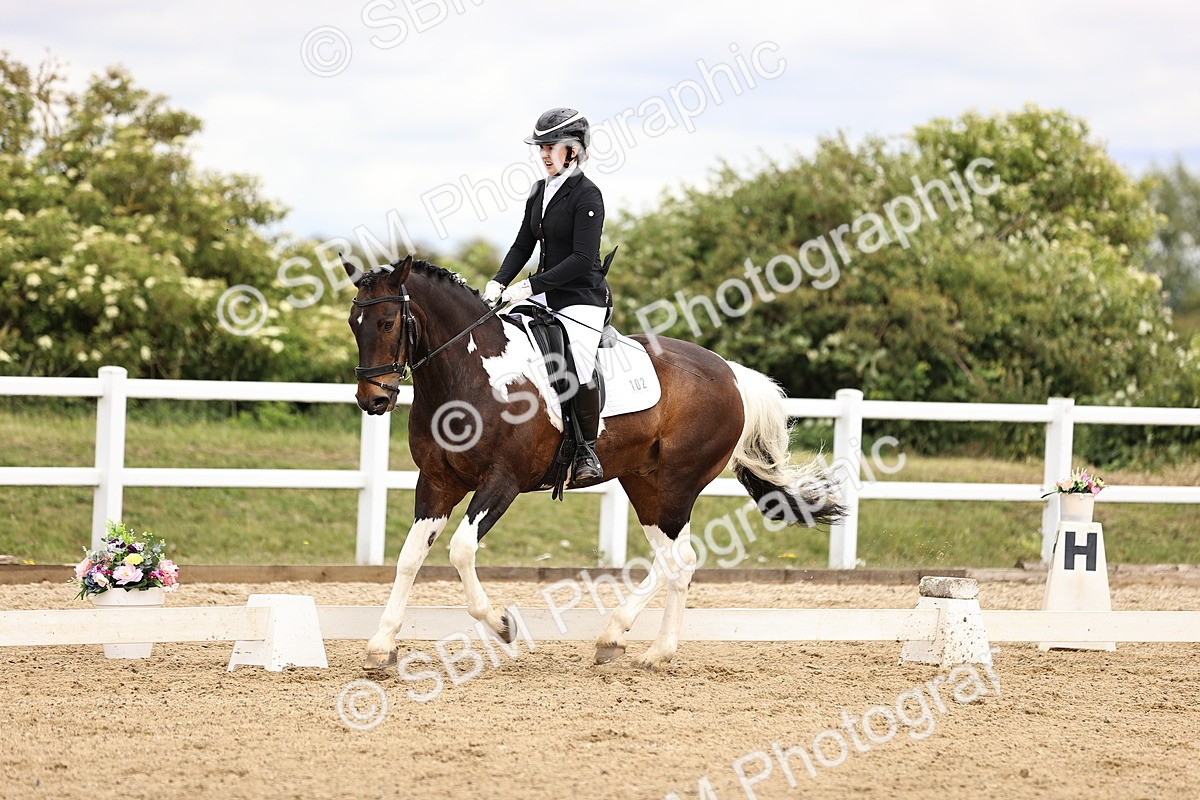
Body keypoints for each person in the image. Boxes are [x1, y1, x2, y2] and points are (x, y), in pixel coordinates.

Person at [482, 107, 610, 483]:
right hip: (543, 294)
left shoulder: (588, 195)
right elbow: (523, 244)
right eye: (541, 147)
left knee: (579, 366)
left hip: (582, 298)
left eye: (550, 146)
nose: (543, 154)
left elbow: (582, 259)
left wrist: (531, 286)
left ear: (573, 150)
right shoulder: (540, 190)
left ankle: (586, 451)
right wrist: (499, 282)